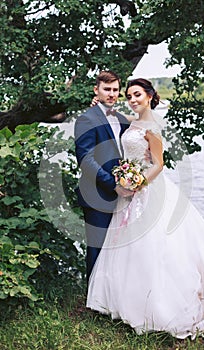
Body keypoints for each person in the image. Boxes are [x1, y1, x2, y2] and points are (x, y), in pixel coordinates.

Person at [86, 78, 204, 340]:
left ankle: (159, 308)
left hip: (149, 190)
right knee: (128, 248)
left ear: (150, 95)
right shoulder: (132, 122)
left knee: (156, 248)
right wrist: (101, 105)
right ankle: (128, 303)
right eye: (129, 95)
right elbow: (119, 122)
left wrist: (139, 182)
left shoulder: (152, 126)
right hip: (128, 193)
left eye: (137, 95)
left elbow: (159, 164)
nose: (132, 99)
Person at [74, 70, 133, 283]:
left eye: (115, 90)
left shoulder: (121, 119)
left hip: (124, 194)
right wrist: (113, 185)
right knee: (97, 249)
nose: (111, 94)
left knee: (118, 250)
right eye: (106, 89)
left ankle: (113, 298)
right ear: (96, 90)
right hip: (97, 193)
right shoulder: (86, 119)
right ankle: (93, 302)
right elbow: (86, 160)